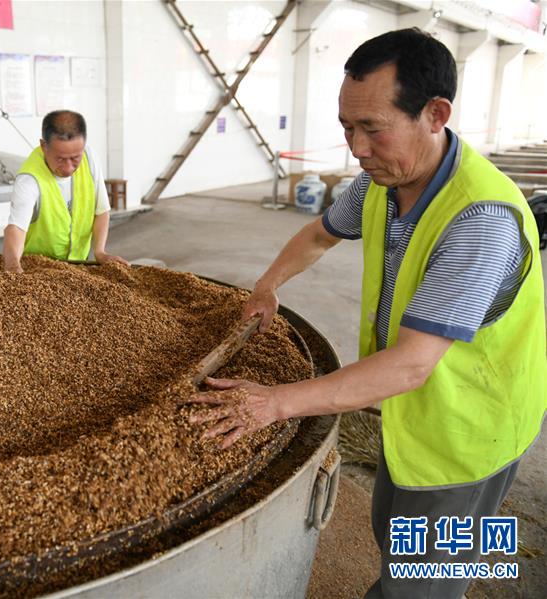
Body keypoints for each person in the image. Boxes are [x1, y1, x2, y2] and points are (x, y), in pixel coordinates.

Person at [184, 28, 546, 598]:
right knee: (395, 541)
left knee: (425, 581)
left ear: (435, 113)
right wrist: (267, 285)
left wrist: (273, 403)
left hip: (468, 433)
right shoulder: (383, 182)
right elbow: (319, 235)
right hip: (410, 419)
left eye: (372, 129)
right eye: (347, 128)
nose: (356, 148)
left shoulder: (480, 219)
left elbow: (409, 366)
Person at [2, 110, 128, 273]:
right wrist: (12, 266)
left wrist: (99, 252)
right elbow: (16, 228)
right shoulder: (29, 179)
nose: (69, 168)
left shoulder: (90, 159)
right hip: (38, 270)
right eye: (60, 159)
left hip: (78, 266)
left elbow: (101, 210)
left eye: (75, 158)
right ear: (43, 146)